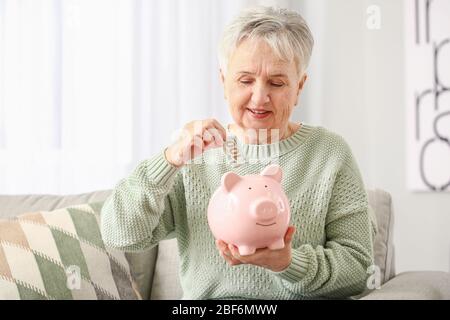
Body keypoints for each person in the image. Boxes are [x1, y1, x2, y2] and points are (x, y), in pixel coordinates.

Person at [101, 6, 377, 299]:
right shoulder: (194, 155)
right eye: (245, 80)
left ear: (299, 87)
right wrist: (168, 160)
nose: (259, 97)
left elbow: (359, 269)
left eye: (277, 82)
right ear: (223, 82)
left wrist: (288, 263)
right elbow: (119, 233)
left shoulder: (329, 154)